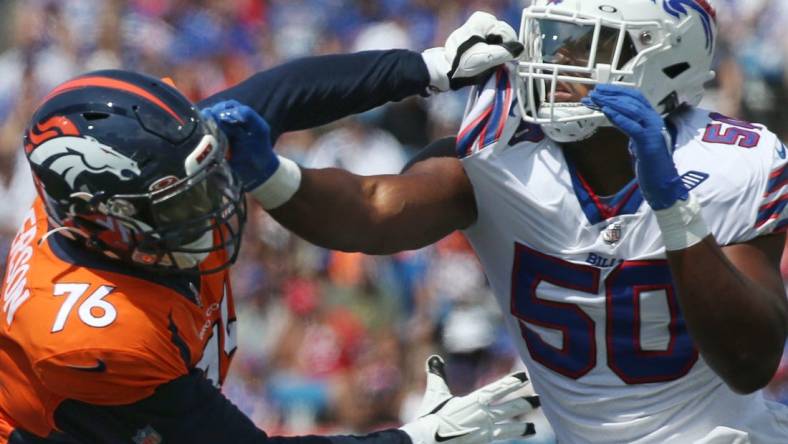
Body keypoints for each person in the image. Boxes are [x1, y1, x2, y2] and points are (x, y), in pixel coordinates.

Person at [226, 1, 788, 443]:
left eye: (581, 46)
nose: (553, 62)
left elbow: (749, 361)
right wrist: (273, 175)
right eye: (553, 39)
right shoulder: (502, 146)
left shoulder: (732, 162)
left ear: (665, 60)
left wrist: (673, 208)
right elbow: (373, 210)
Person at [0, 14, 542, 444]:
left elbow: (277, 93)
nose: (210, 202)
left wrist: (429, 67)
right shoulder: (92, 339)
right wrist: (413, 439)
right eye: (174, 203)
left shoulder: (139, 171)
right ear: (101, 221)